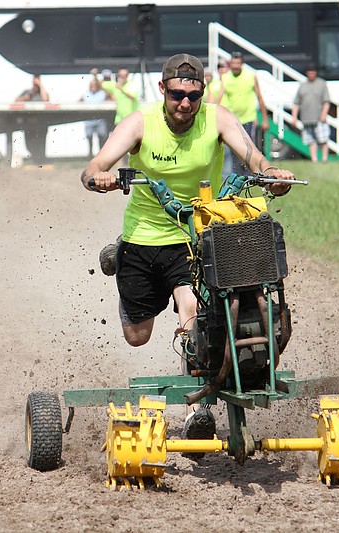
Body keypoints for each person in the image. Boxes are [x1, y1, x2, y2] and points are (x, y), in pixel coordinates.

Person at [81, 54, 294, 441]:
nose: (185, 103)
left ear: (203, 93)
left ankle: (196, 411)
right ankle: (119, 257)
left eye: (193, 96)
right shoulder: (140, 123)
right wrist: (101, 177)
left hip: (193, 237)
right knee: (137, 336)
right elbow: (93, 167)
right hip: (144, 237)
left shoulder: (217, 119)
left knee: (194, 313)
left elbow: (254, 157)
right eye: (177, 94)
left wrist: (272, 173)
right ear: (162, 89)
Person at [218, 51, 270, 173]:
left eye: (238, 63)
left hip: (248, 118)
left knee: (249, 150)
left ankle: (251, 175)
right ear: (230, 64)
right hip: (232, 120)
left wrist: (265, 119)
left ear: (242, 64)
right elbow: (219, 97)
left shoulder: (250, 76)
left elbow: (260, 97)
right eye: (233, 63)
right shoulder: (225, 77)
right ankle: (238, 176)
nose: (235, 66)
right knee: (234, 150)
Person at [291, 63, 331, 163]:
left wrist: (323, 114)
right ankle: (314, 159)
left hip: (319, 117)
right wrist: (294, 117)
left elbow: (326, 101)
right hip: (306, 118)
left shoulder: (321, 84)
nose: (311, 73)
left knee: (323, 139)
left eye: (313, 71)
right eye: (309, 71)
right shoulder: (302, 86)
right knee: (310, 140)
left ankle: (324, 159)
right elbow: (296, 103)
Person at [82, 73, 109, 158]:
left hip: (99, 120)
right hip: (88, 121)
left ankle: (101, 155)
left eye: (95, 85)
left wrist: (95, 76)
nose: (93, 87)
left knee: (101, 138)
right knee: (89, 138)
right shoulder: (86, 94)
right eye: (92, 85)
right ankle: (90, 155)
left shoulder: (102, 93)